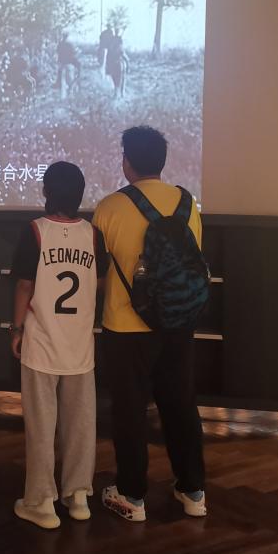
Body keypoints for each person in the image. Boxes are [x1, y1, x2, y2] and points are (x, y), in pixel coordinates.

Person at [92, 126, 207, 522]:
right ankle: (193, 491)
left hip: (126, 328)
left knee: (129, 412)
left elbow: (99, 271)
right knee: (181, 406)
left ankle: (132, 496)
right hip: (178, 322)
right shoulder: (188, 204)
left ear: (127, 162)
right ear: (162, 161)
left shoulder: (109, 207)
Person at [9, 162, 107, 529]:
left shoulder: (35, 230)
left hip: (41, 342)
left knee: (41, 425)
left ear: (46, 191)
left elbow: (24, 285)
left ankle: (41, 502)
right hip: (79, 344)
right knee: (80, 424)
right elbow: (98, 281)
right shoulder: (93, 235)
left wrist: (16, 329)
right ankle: (78, 495)